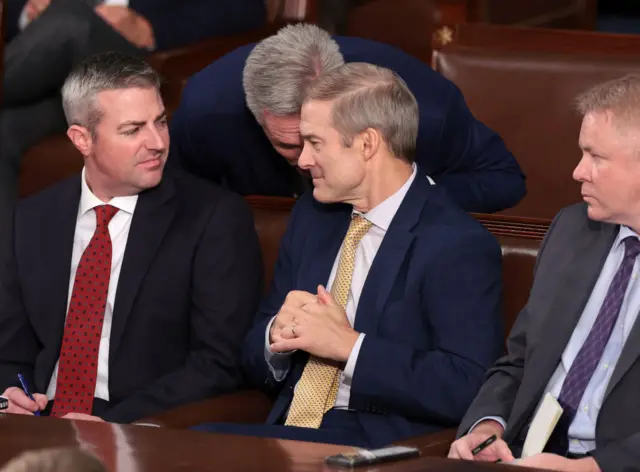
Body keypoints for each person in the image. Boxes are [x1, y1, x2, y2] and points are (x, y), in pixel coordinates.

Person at [194, 62, 504, 448]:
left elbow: (466, 385)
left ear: (367, 144)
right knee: (186, 447)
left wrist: (349, 347)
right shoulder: (313, 216)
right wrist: (275, 336)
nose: (302, 160)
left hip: (373, 445)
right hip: (288, 432)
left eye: (315, 143)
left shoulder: (456, 243)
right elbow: (252, 353)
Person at [0, 52, 262, 423]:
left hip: (140, 420)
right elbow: (9, 350)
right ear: (82, 139)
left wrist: (116, 425)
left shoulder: (213, 217)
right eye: (133, 130)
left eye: (161, 122)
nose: (156, 142)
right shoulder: (32, 217)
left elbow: (218, 363)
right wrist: (10, 392)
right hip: (41, 417)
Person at [448, 74, 640, 472]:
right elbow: (519, 360)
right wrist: (487, 425)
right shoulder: (573, 230)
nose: (578, 172)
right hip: (526, 457)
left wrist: (589, 468)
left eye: (596, 157)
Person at [0, 0, 266, 260]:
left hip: (132, 65)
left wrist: (152, 27)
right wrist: (26, 10)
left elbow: (248, 7)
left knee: (73, 19)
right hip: (44, 73)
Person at [170, 23, 526, 213]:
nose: (305, 160)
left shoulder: (424, 109)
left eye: (315, 140)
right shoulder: (208, 112)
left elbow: (504, 180)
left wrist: (402, 196)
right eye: (286, 144)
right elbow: (171, 199)